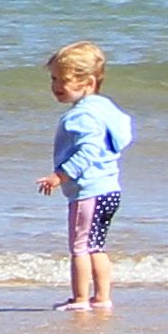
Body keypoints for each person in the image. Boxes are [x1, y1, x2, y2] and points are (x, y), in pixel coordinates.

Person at [35, 39, 134, 314]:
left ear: (88, 83)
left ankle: (80, 298)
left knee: (80, 247)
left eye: (62, 81)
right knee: (96, 246)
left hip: (89, 191)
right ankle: (101, 297)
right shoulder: (106, 109)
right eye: (53, 79)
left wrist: (60, 175)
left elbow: (88, 151)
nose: (55, 87)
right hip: (110, 189)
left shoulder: (82, 116)